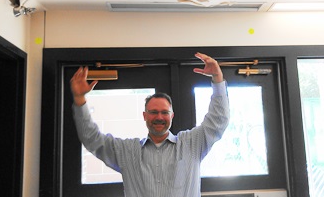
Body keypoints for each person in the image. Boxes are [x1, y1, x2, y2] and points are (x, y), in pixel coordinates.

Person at [70, 52, 230, 197]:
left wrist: (217, 79)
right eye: (153, 112)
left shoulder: (191, 144)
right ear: (145, 116)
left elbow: (218, 121)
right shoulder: (126, 152)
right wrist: (79, 99)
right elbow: (92, 139)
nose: (159, 117)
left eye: (164, 112)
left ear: (172, 116)